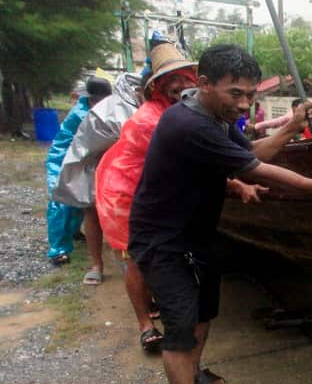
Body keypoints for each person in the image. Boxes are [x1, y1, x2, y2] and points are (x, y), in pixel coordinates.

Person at [128, 43, 312, 384]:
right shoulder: (187, 124)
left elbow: (250, 154)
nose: (243, 103)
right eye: (235, 93)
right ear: (202, 84)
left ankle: (195, 371)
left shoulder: (219, 118)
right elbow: (257, 169)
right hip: (163, 239)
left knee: (204, 313)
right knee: (180, 327)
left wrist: (291, 127)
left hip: (199, 230)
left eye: (250, 95)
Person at [95, 43, 199, 353]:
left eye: (184, 77)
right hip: (126, 195)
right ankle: (145, 325)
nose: (179, 85)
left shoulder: (181, 110)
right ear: (157, 88)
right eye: (171, 81)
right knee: (138, 260)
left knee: (159, 255)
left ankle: (156, 304)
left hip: (156, 191)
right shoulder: (151, 120)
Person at [53, 72, 143, 285]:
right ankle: (97, 265)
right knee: (92, 212)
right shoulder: (94, 113)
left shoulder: (136, 107)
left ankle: (134, 271)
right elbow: (82, 146)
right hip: (94, 166)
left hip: (123, 171)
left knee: (125, 221)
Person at [45, 76, 111, 265]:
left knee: (80, 200)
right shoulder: (82, 114)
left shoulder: (95, 109)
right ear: (94, 98)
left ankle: (74, 232)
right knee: (62, 202)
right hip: (63, 160)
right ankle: (58, 250)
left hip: (81, 158)